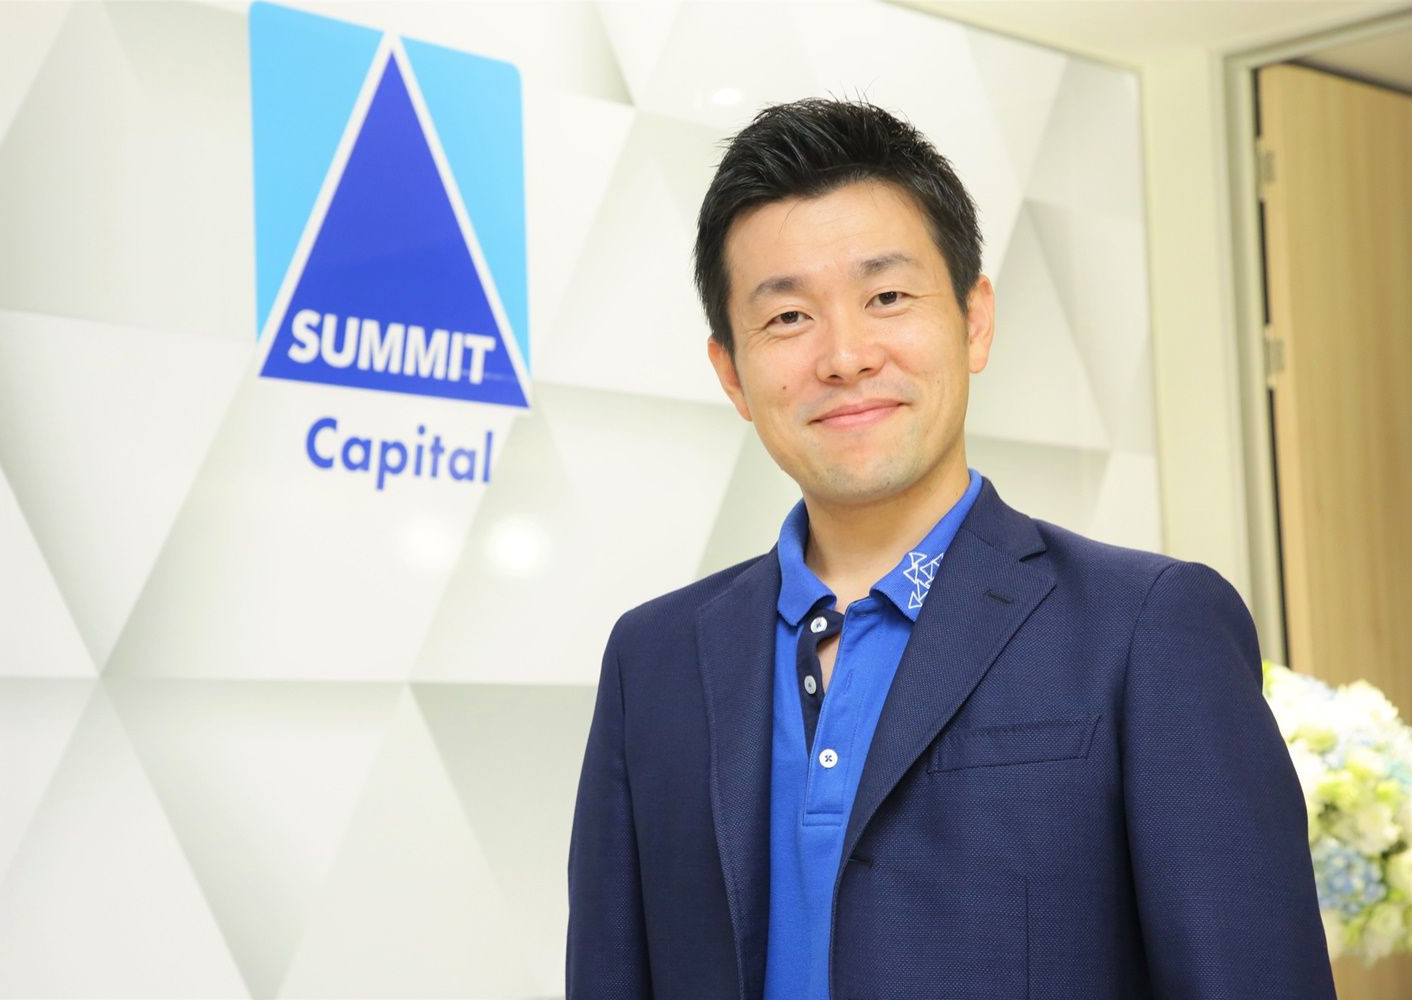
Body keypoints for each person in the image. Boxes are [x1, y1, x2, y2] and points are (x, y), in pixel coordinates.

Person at [566, 98, 1334, 1000]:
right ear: (731, 372)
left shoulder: (1147, 627)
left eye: (887, 297)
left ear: (975, 321)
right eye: (788, 318)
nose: (845, 356)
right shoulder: (653, 659)